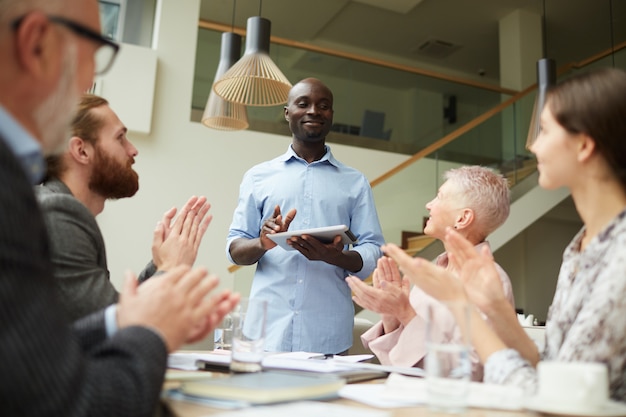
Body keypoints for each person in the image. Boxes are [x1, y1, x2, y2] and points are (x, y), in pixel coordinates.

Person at [0, 0, 239, 415]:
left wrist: (157, 282)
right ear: (36, 42)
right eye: (95, 48)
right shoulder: (50, 208)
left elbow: (63, 335)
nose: (94, 74)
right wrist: (159, 307)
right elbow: (79, 399)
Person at [381, 68, 626, 401]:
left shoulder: (620, 254)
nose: (533, 145)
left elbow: (563, 399)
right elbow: (551, 364)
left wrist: (461, 303)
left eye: (544, 130)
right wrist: (494, 308)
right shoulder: (579, 249)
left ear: (583, 144)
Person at [226, 78, 384, 354]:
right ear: (287, 113)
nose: (314, 111)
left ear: (331, 116)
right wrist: (263, 242)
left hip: (328, 338)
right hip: (266, 335)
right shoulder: (257, 177)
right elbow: (235, 249)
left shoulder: (355, 183)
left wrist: (335, 256)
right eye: (303, 103)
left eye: (323, 106)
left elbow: (374, 253)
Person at [36, 94, 212, 321]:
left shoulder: (58, 209)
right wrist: (170, 269)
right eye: (120, 138)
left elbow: (109, 311)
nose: (132, 150)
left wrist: (159, 266)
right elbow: (113, 326)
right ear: (81, 151)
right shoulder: (56, 213)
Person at [347, 165, 515, 380]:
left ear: (462, 219)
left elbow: (472, 371)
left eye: (439, 197)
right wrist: (392, 317)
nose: (429, 205)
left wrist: (406, 313)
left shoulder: (490, 280)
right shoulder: (437, 271)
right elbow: (400, 363)